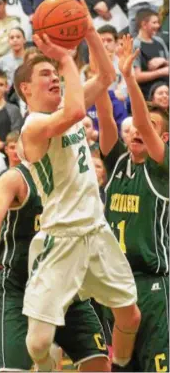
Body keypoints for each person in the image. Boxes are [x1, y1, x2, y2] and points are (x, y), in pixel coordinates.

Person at [14, 1, 140, 372]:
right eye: (44, 74)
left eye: (55, 73)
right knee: (38, 343)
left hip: (96, 231)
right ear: (25, 88)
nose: (54, 77)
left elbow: (104, 77)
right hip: (61, 237)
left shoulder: (64, 106)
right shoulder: (33, 126)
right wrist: (66, 58)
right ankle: (47, 361)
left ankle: (117, 365)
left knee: (130, 318)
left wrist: (86, 30)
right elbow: (71, 113)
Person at [0, 132, 111, 372]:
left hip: (66, 290)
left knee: (99, 362)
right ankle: (43, 363)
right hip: (19, 289)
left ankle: (45, 362)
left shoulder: (71, 178)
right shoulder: (15, 178)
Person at [97, 34, 169, 372]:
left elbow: (139, 120)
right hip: (116, 284)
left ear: (163, 137)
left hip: (153, 284)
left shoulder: (162, 166)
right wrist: (100, 66)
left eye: (150, 127)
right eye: (136, 129)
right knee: (122, 367)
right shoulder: (117, 163)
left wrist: (128, 76)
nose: (138, 130)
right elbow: (106, 116)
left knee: (156, 364)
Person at [133, 8, 169, 100]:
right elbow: (136, 76)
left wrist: (163, 61)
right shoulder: (135, 45)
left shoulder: (159, 41)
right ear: (144, 24)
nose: (158, 25)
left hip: (166, 94)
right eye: (154, 23)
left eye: (158, 22)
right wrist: (161, 72)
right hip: (147, 96)